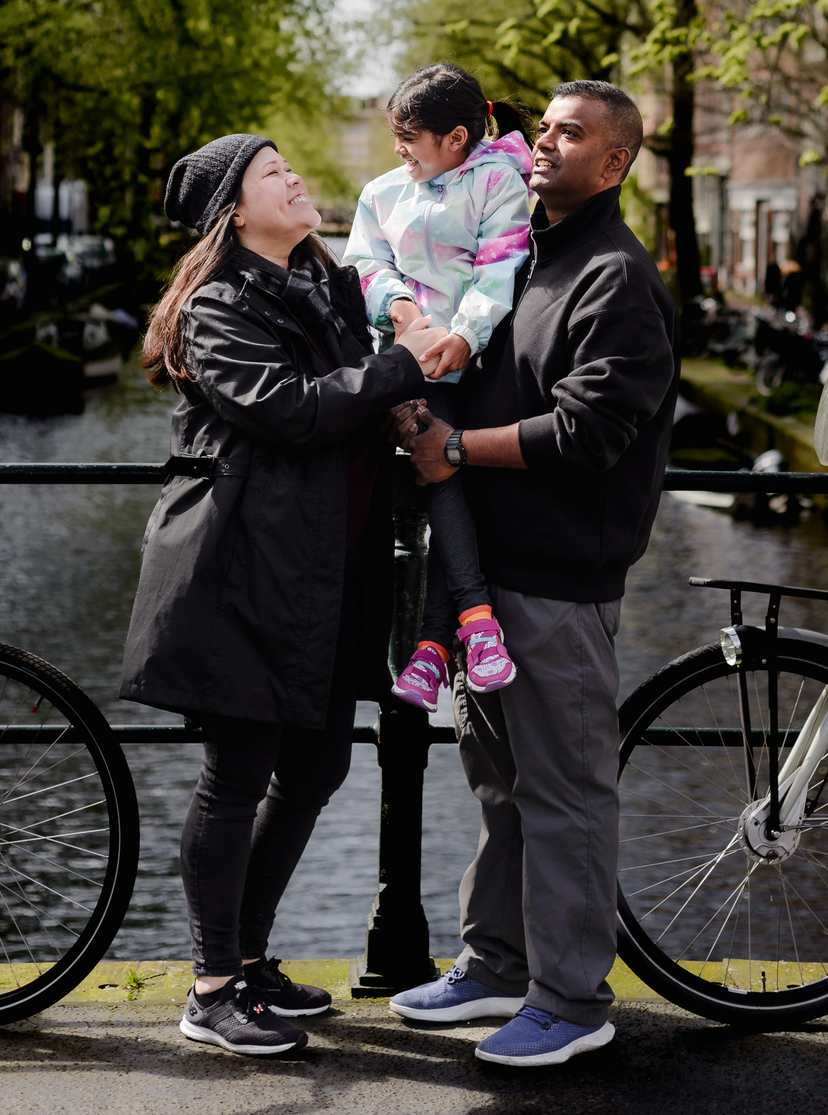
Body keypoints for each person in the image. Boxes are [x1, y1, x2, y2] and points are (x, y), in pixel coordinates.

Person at [119, 133, 447, 1059]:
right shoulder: (217, 306)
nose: (296, 179)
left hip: (324, 570)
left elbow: (354, 391)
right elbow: (292, 408)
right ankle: (211, 986)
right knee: (237, 775)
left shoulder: (325, 287)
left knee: (316, 769)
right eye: (273, 174)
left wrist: (401, 393)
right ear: (233, 210)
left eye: (289, 168)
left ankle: (250, 961)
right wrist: (402, 367)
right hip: (242, 568)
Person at [387, 81, 679, 1069]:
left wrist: (458, 449)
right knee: (503, 787)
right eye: (542, 125)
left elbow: (590, 430)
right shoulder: (515, 254)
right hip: (481, 579)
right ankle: (501, 962)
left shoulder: (617, 277)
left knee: (566, 794)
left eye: (572, 131)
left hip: (558, 582)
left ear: (613, 163)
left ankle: (571, 997)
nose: (545, 140)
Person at [343, 64, 532, 711]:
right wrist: (397, 309)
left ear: (456, 137)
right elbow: (365, 262)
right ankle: (471, 625)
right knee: (438, 461)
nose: (398, 149)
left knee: (446, 466)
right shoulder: (383, 193)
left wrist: (465, 336)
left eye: (409, 137)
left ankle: (434, 645)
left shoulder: (500, 181)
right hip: (411, 366)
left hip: (477, 365)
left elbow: (500, 263)